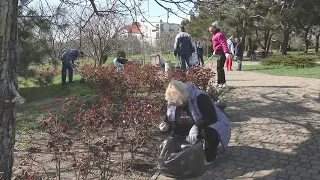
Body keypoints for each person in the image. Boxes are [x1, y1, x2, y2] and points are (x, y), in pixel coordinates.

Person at [159, 80, 231, 166]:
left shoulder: (200, 97)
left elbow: (212, 118)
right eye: (174, 102)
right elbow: (169, 121)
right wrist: (164, 127)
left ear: (183, 95)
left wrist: (196, 127)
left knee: (209, 132)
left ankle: (211, 156)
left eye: (179, 102)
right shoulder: (172, 102)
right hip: (188, 127)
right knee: (174, 136)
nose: (177, 105)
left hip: (212, 123)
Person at [209, 22, 230, 88]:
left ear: (215, 28)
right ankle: (220, 82)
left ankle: (222, 82)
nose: (211, 32)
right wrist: (215, 50)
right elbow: (217, 44)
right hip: (218, 52)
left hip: (222, 52)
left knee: (220, 68)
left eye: (211, 31)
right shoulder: (215, 35)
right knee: (218, 68)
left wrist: (226, 52)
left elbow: (223, 44)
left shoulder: (220, 34)